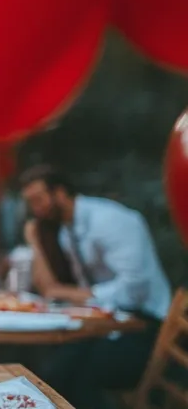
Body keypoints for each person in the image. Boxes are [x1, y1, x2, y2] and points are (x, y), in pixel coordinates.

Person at [19, 164, 171, 408]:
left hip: (145, 326)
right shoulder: (66, 233)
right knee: (51, 371)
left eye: (39, 200)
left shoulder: (111, 220)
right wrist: (36, 241)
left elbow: (135, 289)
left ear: (59, 193)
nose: (36, 210)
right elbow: (50, 288)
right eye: (31, 203)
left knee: (81, 375)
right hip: (108, 327)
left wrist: (79, 295)